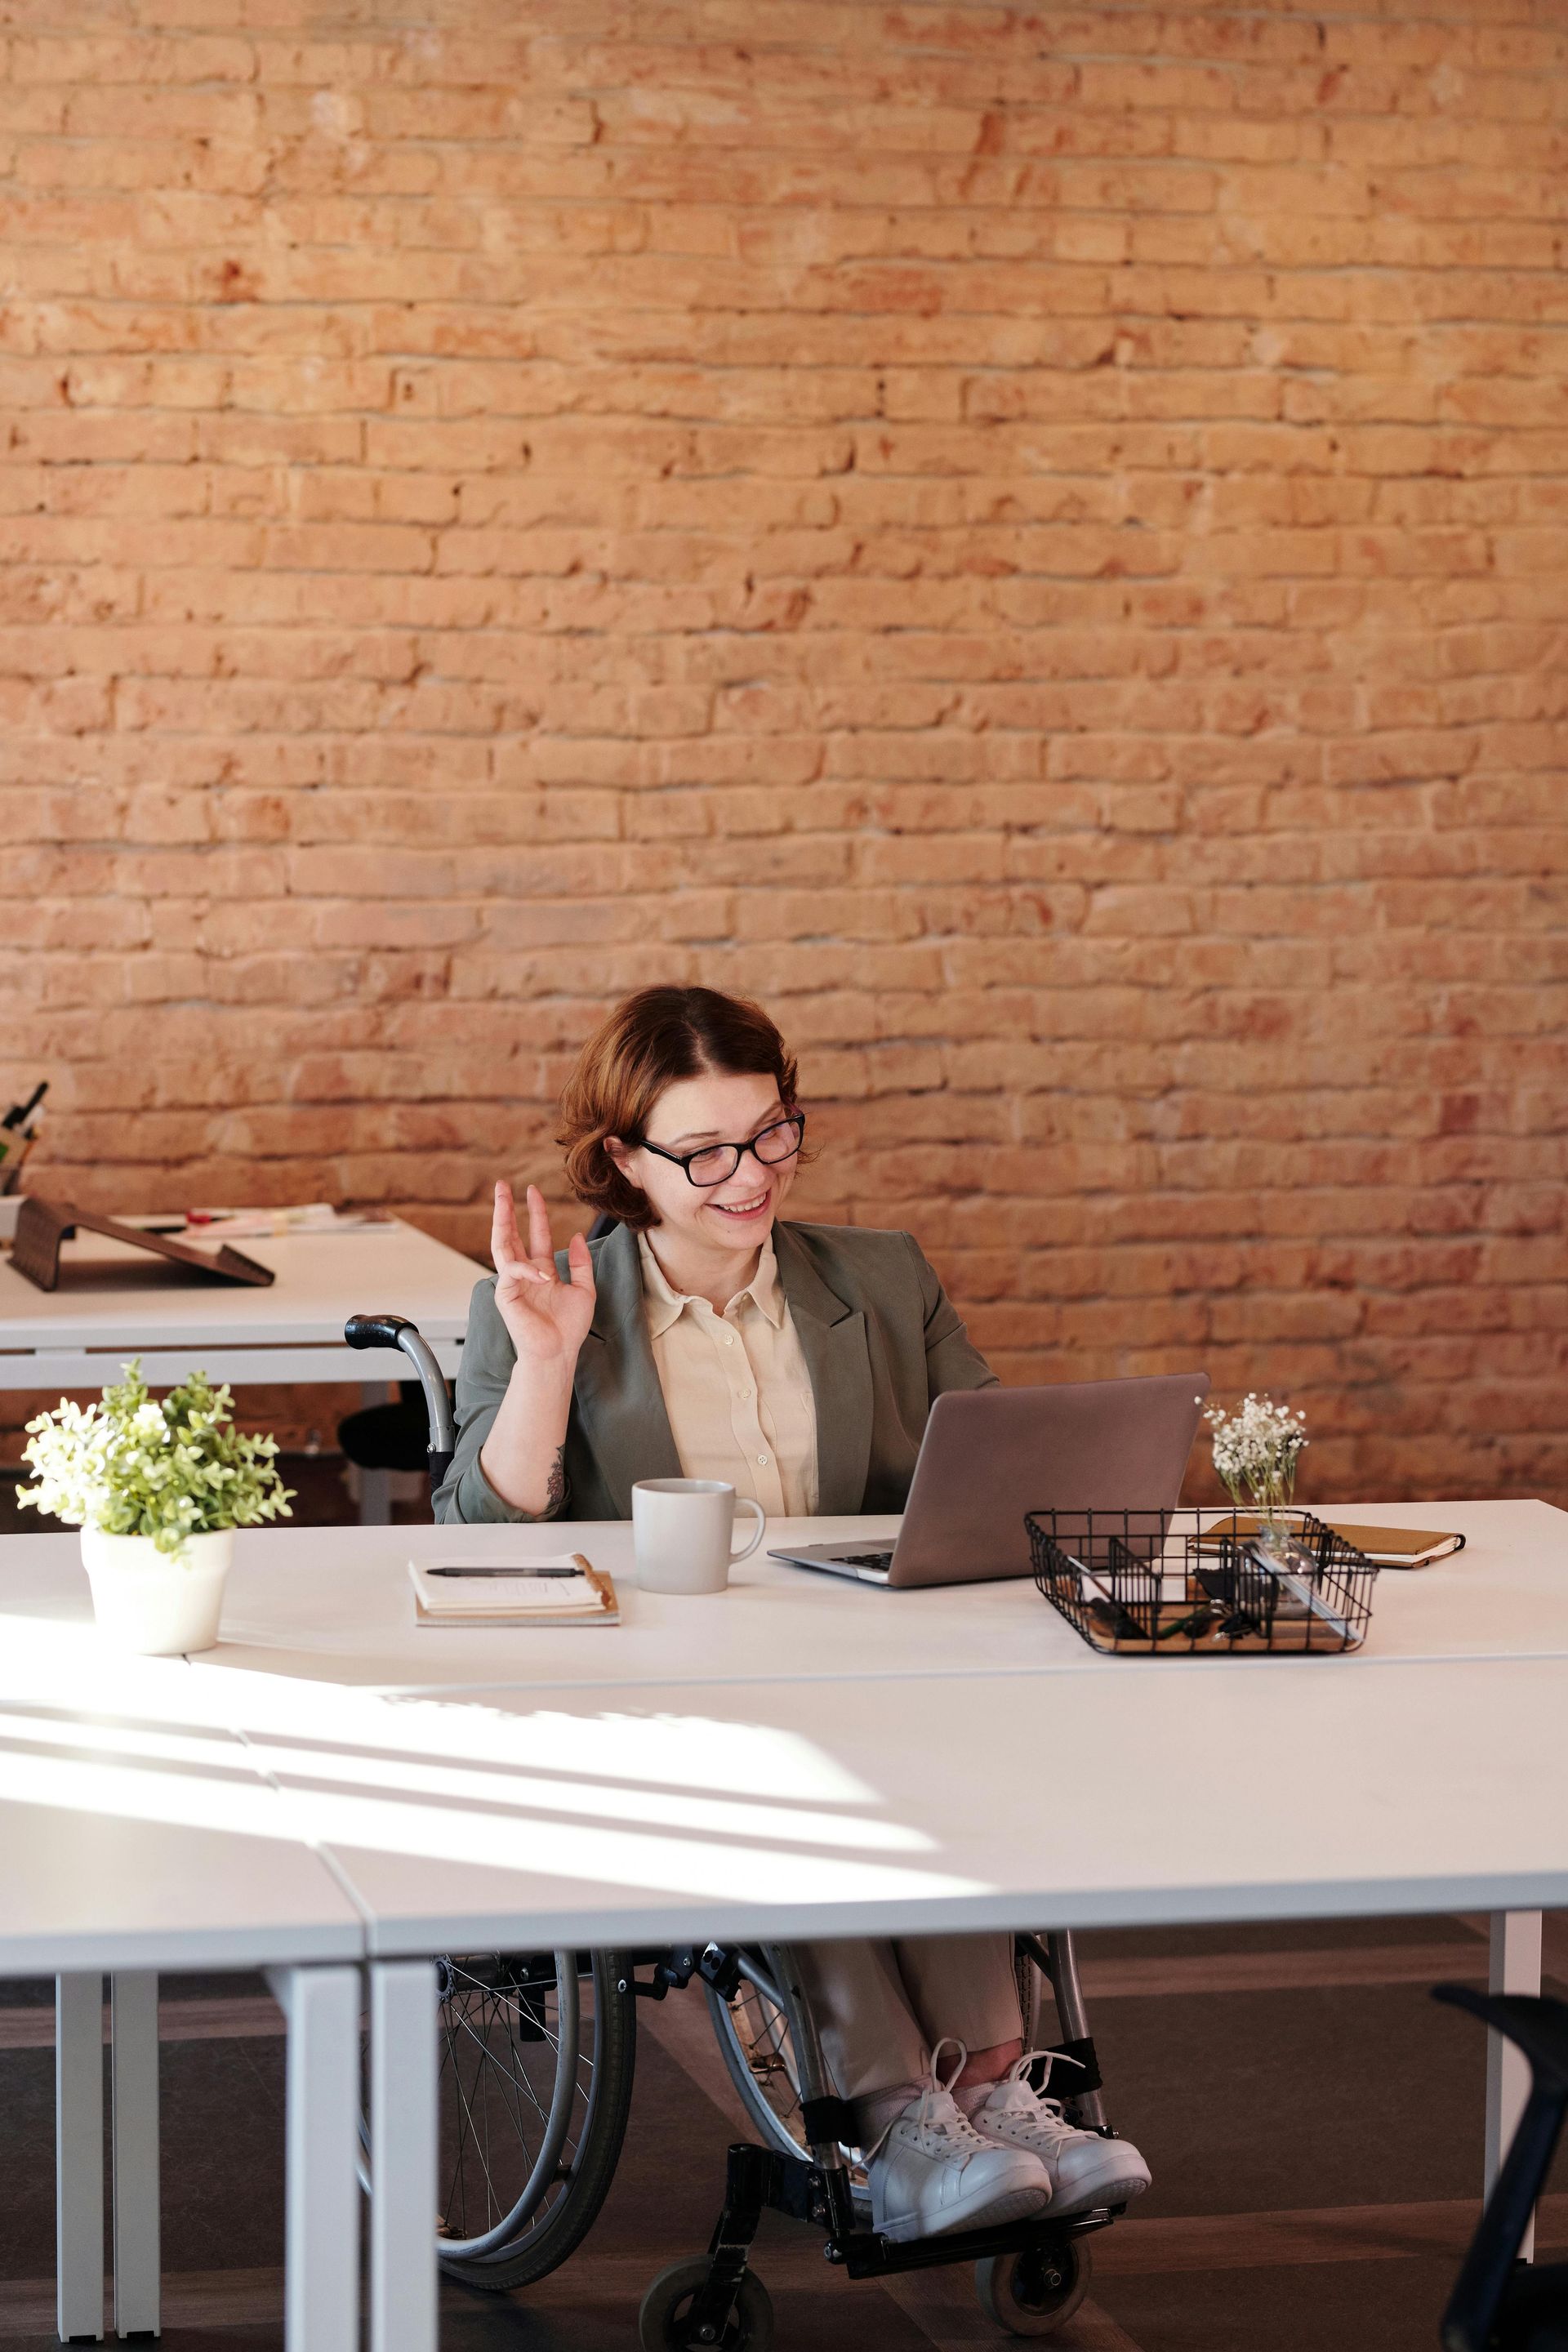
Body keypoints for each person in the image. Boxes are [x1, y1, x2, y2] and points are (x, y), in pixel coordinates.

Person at [436, 983, 1151, 2243]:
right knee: (798, 1775)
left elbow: (994, 1472)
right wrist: (544, 1367)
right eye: (702, 1151)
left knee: (949, 1748)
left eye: (770, 1134)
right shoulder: (552, 1299)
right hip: (668, 1701)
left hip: (872, 1670)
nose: (747, 1174)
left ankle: (993, 2091)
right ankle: (895, 2115)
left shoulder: (877, 1281)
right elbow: (482, 1546)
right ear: (623, 1160)